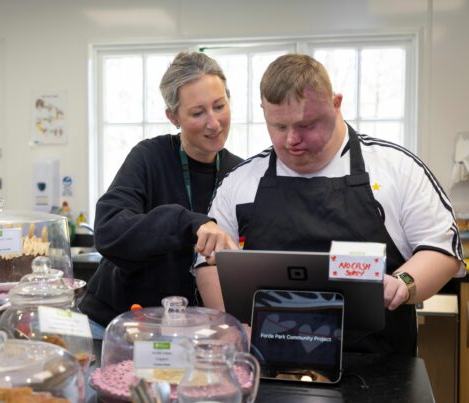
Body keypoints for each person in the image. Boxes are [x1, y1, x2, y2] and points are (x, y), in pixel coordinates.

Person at [195, 53, 465, 355]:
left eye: (306, 124)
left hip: (378, 369)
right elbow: (209, 263)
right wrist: (234, 328)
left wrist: (403, 282)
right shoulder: (241, 182)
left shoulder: (396, 169)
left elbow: (441, 251)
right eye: (279, 127)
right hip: (267, 362)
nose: (292, 139)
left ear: (336, 103)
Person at [79, 52, 243, 336]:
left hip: (192, 331)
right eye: (197, 112)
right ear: (172, 116)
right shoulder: (149, 157)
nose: (214, 123)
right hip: (117, 325)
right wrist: (188, 223)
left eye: (219, 106)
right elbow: (109, 230)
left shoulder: (239, 173)